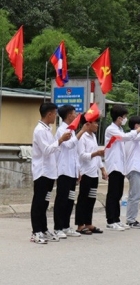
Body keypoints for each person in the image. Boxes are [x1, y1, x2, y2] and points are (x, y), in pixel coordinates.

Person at [104, 105, 140, 231]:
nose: (125, 119)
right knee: (113, 194)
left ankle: (117, 219)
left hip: (120, 166)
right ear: (119, 118)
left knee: (118, 194)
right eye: (124, 117)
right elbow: (126, 137)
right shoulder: (111, 129)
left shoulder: (119, 129)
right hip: (113, 165)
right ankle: (110, 220)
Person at [30, 102, 72, 244]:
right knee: (39, 202)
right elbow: (46, 150)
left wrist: (60, 142)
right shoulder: (40, 131)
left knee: (45, 203)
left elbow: (55, 149)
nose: (56, 116)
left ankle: (43, 229)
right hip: (42, 171)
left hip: (50, 172)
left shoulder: (48, 129)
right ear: (49, 114)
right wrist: (60, 140)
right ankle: (36, 231)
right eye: (54, 113)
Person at [53, 105, 87, 239]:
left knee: (70, 200)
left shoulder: (72, 130)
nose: (76, 114)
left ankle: (66, 226)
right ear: (68, 115)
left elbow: (75, 153)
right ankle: (58, 227)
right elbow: (69, 144)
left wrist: (78, 169)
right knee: (62, 199)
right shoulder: (62, 130)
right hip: (63, 170)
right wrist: (82, 131)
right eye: (74, 113)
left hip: (72, 170)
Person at [75, 115, 107, 235]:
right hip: (85, 172)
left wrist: (103, 169)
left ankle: (88, 223)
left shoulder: (93, 137)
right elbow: (82, 155)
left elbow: (97, 156)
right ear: (88, 124)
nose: (97, 125)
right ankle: (80, 225)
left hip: (94, 173)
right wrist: (96, 153)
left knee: (91, 199)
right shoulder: (82, 137)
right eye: (95, 123)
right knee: (83, 199)